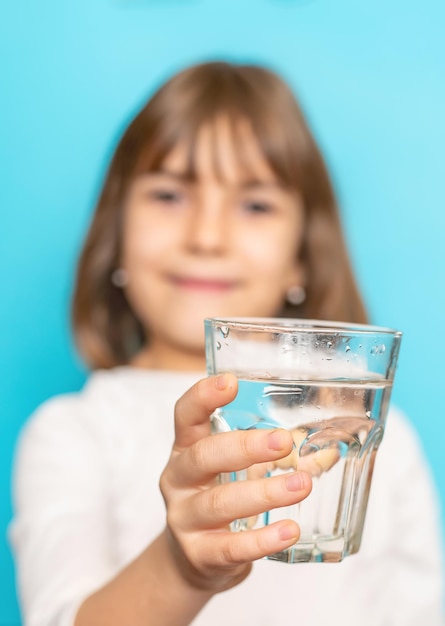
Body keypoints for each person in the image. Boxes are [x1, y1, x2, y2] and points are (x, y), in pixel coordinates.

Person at [9, 61, 443, 626]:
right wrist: (183, 568)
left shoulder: (384, 440)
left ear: (301, 258)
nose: (207, 237)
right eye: (169, 195)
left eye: (255, 205)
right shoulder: (73, 433)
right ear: (114, 237)